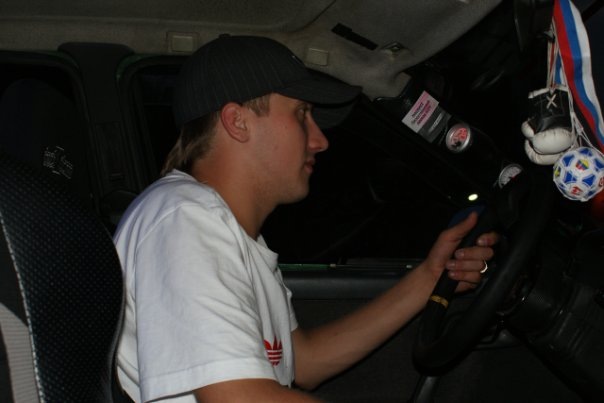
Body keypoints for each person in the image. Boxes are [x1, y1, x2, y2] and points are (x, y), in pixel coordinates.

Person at [113, 35, 498, 403]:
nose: (320, 140)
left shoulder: (234, 237)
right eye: (301, 114)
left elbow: (305, 362)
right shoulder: (185, 218)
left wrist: (430, 277)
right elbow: (239, 397)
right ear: (238, 121)